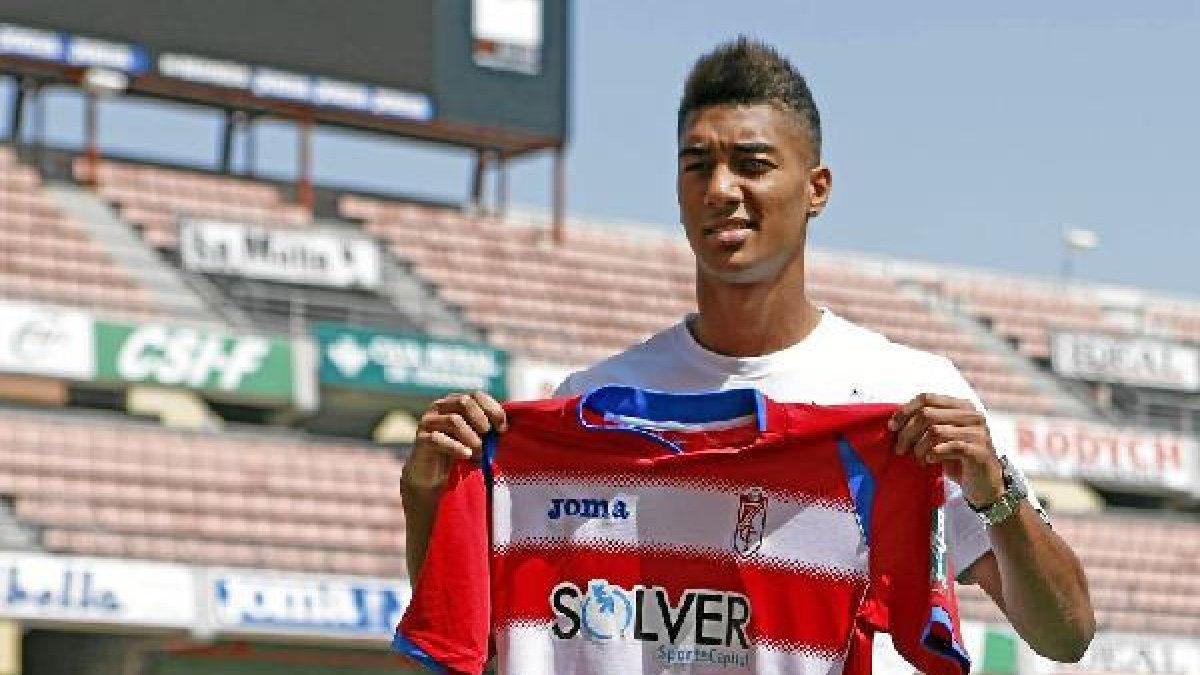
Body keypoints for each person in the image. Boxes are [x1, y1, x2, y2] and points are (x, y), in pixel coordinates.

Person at [400, 37, 1095, 663]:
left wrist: (993, 490)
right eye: (697, 164)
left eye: (752, 163)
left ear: (816, 188)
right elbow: (479, 638)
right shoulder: (584, 407)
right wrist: (427, 498)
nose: (721, 189)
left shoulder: (902, 398)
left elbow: (1066, 633)